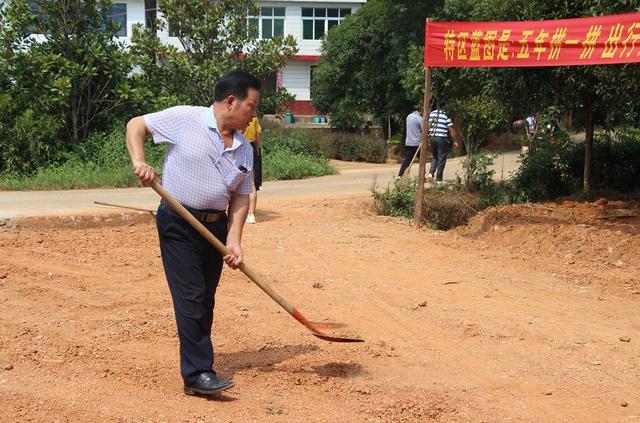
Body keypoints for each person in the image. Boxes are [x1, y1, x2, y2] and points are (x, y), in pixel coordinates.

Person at [125, 70, 260, 396]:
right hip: (179, 222)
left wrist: (234, 239)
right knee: (191, 297)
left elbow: (242, 195)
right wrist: (140, 161)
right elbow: (136, 125)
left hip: (215, 227)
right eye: (251, 107)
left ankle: (197, 364)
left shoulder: (244, 148)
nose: (253, 115)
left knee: (206, 299)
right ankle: (198, 373)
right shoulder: (187, 119)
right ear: (231, 101)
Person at [427, 100, 458, 183]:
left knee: (435, 156)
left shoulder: (432, 114)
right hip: (441, 139)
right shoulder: (445, 115)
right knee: (441, 158)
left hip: (432, 138)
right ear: (444, 106)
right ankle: (439, 179)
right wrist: (455, 141)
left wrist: (427, 138)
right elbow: (451, 130)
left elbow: (428, 126)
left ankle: (430, 174)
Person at [243, 116, 262, 224]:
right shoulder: (254, 119)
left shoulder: (238, 117)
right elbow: (258, 134)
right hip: (251, 147)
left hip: (239, 146)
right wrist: (257, 149)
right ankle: (251, 214)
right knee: (251, 184)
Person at [397, 108, 423, 177]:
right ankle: (422, 176)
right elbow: (424, 130)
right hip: (417, 143)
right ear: (421, 110)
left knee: (407, 160)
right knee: (422, 160)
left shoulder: (408, 117)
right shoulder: (420, 119)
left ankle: (400, 175)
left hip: (409, 142)